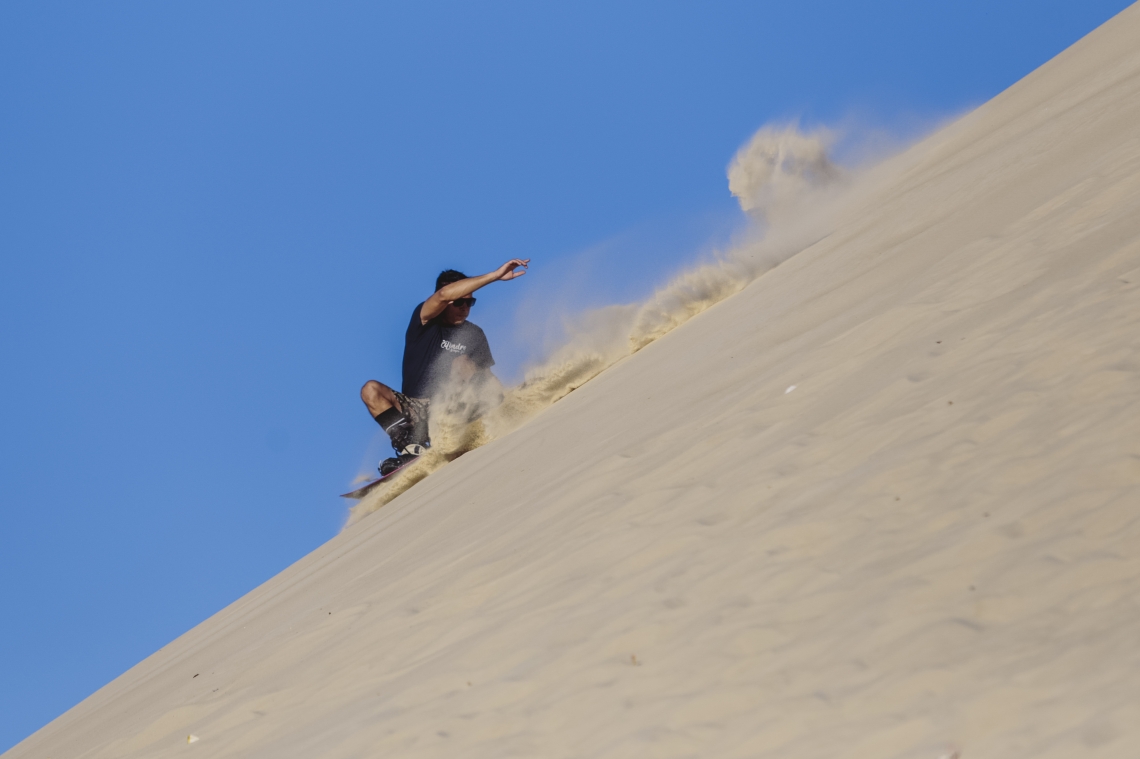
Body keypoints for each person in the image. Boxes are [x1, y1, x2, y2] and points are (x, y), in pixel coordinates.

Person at [361, 259, 529, 475]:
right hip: (415, 411)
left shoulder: (474, 334)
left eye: (470, 303)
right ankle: (412, 449)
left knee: (462, 363)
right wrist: (495, 276)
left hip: (454, 406)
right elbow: (442, 296)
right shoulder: (424, 320)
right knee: (370, 389)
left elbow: (487, 378)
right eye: (459, 302)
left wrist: (509, 402)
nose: (465, 309)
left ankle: (483, 417)